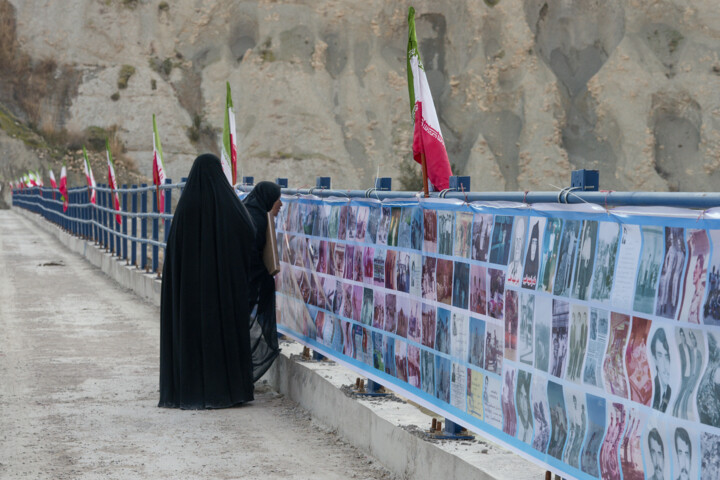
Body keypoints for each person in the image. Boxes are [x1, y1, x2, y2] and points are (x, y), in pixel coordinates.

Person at [159, 154, 258, 409]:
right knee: (221, 334)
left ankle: (189, 390)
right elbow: (249, 233)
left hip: (189, 295)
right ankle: (226, 391)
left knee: (190, 336)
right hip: (222, 292)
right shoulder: (229, 206)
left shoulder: (185, 207)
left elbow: (173, 255)